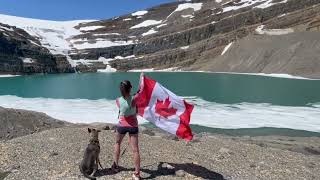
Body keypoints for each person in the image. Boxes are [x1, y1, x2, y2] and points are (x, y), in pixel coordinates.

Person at [112, 80, 141, 180]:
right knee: (135, 150)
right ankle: (137, 174)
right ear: (130, 88)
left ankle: (115, 166)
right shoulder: (135, 99)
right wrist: (142, 78)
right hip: (133, 126)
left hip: (121, 125)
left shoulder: (118, 100)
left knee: (117, 143)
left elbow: (123, 107)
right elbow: (140, 91)